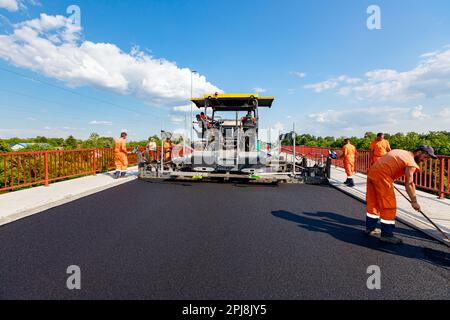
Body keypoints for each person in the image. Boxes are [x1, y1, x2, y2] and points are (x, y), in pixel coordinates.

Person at [365, 145, 437, 244]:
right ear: (419, 152)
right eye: (425, 157)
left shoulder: (401, 152)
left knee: (374, 203)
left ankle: (370, 228)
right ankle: (387, 235)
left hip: (373, 173)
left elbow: (388, 163)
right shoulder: (411, 162)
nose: (424, 161)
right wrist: (414, 201)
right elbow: (409, 183)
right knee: (389, 206)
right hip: (383, 177)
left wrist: (388, 177)